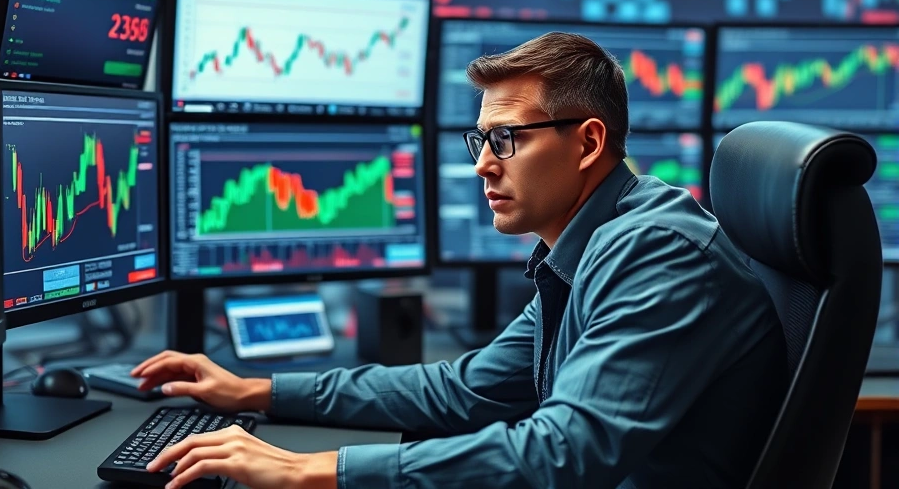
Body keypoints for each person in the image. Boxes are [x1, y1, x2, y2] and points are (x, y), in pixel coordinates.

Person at [133, 32, 788, 489]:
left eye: (505, 138)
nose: (481, 162)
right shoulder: (596, 246)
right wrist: (257, 392)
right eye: (481, 138)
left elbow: (563, 455)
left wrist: (307, 470)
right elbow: (465, 389)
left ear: (588, 142)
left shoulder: (657, 253)